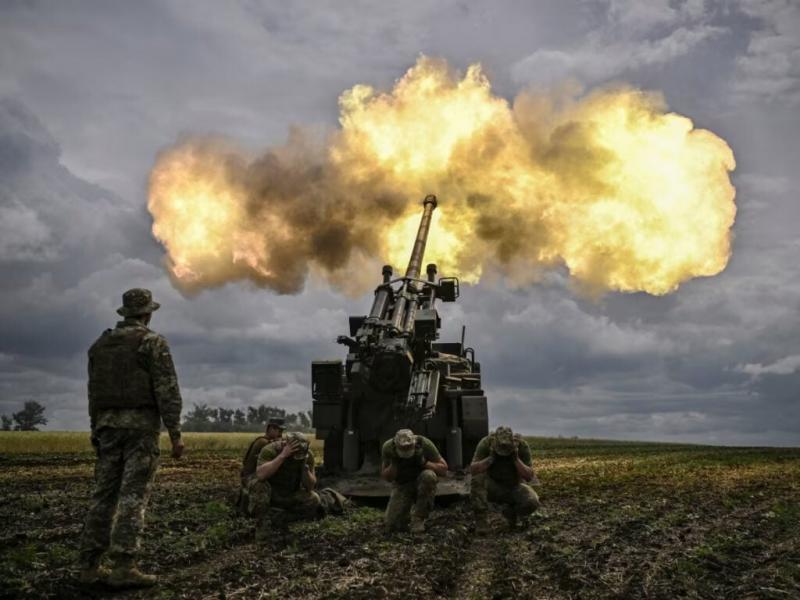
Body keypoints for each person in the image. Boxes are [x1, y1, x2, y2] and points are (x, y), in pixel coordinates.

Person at [78, 288, 184, 587]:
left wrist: (95, 429)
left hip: (106, 427)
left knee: (103, 495)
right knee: (132, 496)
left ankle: (88, 565)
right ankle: (124, 566)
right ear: (148, 313)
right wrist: (175, 434)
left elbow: (93, 393)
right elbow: (167, 391)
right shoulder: (152, 342)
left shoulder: (99, 345)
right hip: (140, 430)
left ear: (125, 313)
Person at [245, 431, 322, 542]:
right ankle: (262, 524)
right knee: (258, 485)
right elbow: (261, 475)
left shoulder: (307, 455)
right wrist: (282, 456)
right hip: (270, 493)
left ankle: (280, 518)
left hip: (289, 492)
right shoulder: (270, 450)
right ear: (285, 444)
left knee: (314, 499)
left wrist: (305, 470)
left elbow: (310, 486)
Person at [470, 426, 540, 534]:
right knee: (477, 479)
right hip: (492, 486)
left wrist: (516, 459)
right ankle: (481, 521)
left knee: (532, 501)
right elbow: (473, 470)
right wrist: (491, 458)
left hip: (513, 486)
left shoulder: (521, 445)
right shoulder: (486, 443)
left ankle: (511, 513)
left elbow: (529, 476)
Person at [381, 428, 448, 533]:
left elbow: (444, 470)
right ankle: (405, 514)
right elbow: (387, 478)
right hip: (402, 484)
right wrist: (394, 463)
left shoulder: (424, 444)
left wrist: (424, 462)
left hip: (421, 481)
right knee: (392, 525)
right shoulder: (388, 447)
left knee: (429, 476)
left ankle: (419, 518)